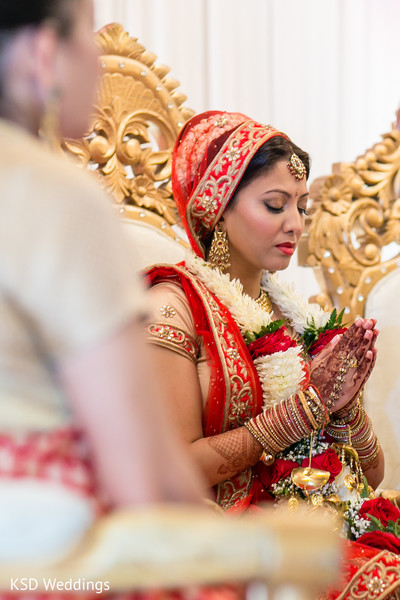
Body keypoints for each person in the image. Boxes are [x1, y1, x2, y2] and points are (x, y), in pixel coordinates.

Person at [146, 111, 400, 597]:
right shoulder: (172, 308)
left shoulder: (295, 317)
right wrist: (305, 409)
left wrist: (342, 409)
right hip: (226, 539)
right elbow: (173, 472)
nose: (296, 225)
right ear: (217, 208)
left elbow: (371, 475)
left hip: (323, 522)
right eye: (275, 205)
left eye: (301, 207)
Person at [0, 0, 205, 564]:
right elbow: (140, 480)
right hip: (42, 554)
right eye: (88, 32)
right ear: (44, 52)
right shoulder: (53, 194)